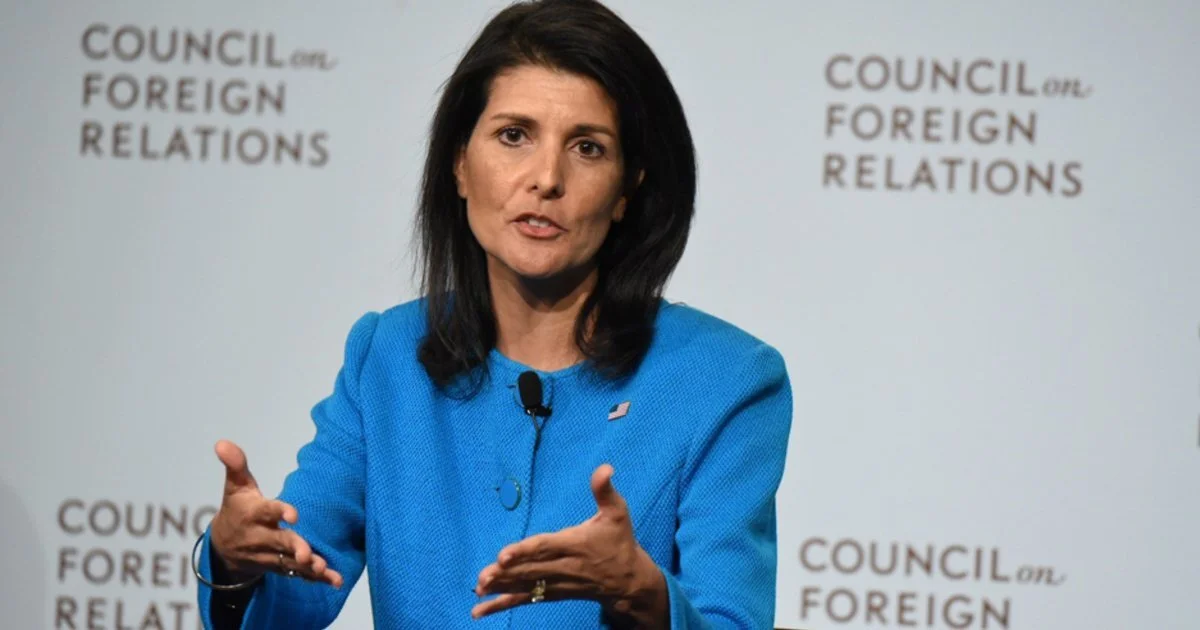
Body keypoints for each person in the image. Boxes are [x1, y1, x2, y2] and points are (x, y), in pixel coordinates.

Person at [193, 0, 793, 627]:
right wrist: (234, 558)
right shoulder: (388, 357)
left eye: (587, 147)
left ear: (627, 189)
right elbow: (288, 596)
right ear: (459, 162)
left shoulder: (726, 381)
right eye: (514, 136)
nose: (546, 178)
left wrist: (645, 596)